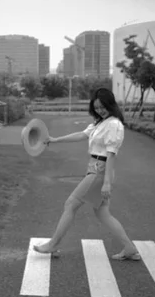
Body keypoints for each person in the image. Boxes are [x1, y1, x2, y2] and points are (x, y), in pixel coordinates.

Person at [33, 87, 141, 261]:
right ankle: (129, 247)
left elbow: (111, 153)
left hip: (100, 170)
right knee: (103, 213)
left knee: (71, 204)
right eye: (97, 107)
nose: (100, 110)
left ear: (110, 104)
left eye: (103, 106)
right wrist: (55, 140)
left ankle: (53, 244)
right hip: (96, 168)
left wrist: (106, 183)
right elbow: (82, 134)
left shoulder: (113, 124)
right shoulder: (100, 123)